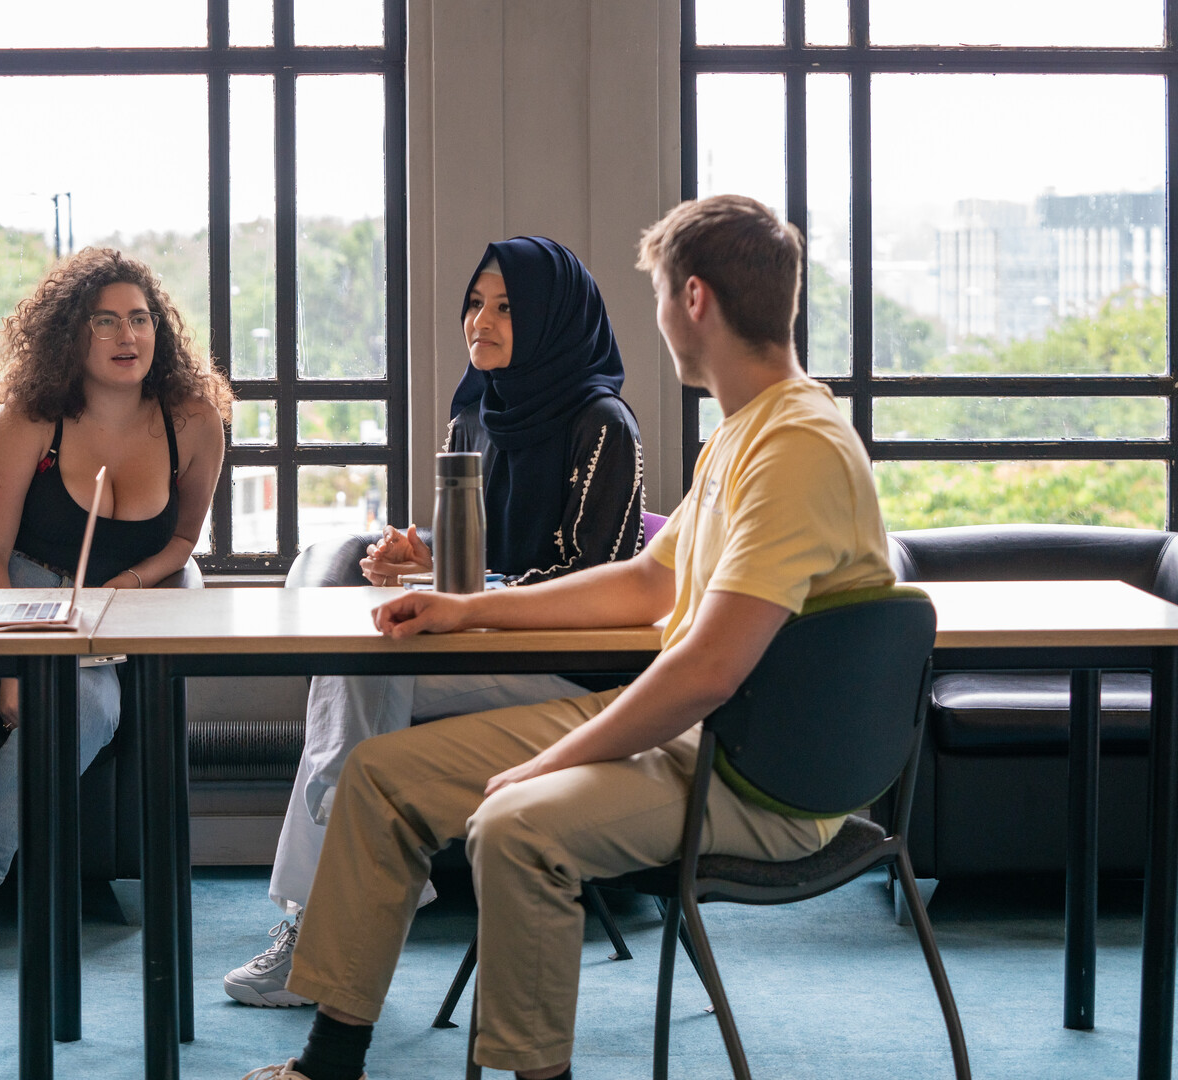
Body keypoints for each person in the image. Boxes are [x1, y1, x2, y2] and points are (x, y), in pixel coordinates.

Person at [240, 194, 895, 1080]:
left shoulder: (798, 446)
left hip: (758, 777)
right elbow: (648, 581)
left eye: (662, 296)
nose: (658, 319)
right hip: (700, 739)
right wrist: (467, 607)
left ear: (693, 299)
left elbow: (707, 668)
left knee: (517, 825)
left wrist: (553, 761)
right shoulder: (743, 435)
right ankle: (329, 1060)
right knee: (380, 776)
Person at [226, 236, 647, 1008]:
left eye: (507, 306)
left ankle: (331, 916)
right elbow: (477, 550)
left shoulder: (603, 425)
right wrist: (415, 558)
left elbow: (594, 587)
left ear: (554, 317)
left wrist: (464, 594)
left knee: (361, 687)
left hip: (569, 669)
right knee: (360, 672)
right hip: (483, 647)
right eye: (474, 302)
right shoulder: (475, 413)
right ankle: (332, 906)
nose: (480, 320)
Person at [0, 247, 230, 948]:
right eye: (104, 321)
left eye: (139, 320)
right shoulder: (30, 417)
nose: (127, 337)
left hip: (91, 603)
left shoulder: (195, 423)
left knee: (85, 706)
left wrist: (127, 586)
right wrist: (9, 671)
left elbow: (180, 542)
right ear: (70, 336)